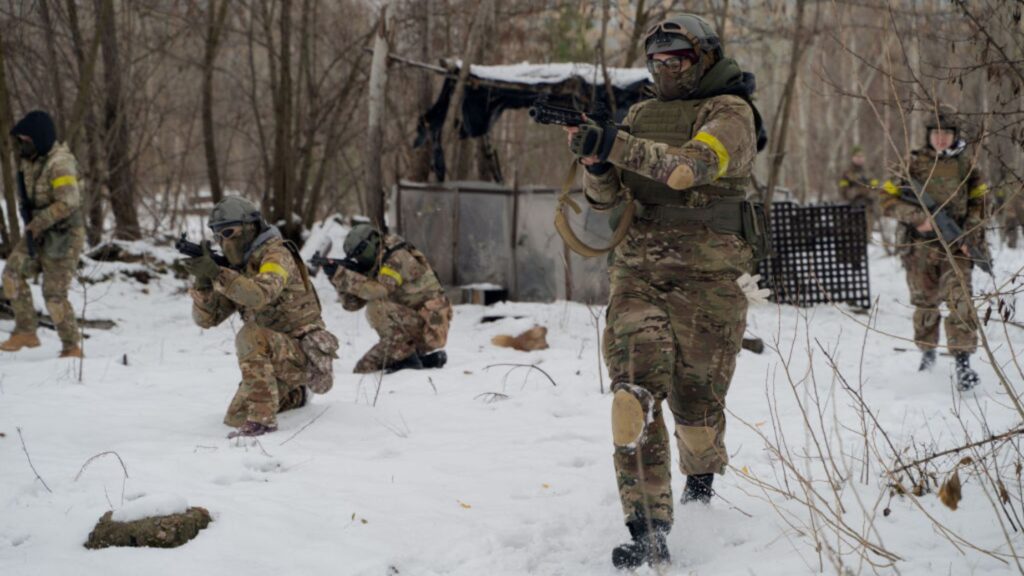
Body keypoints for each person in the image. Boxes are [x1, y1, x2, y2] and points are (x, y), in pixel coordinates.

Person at [566, 14, 765, 569]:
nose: (665, 69)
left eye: (676, 59)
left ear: (703, 57)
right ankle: (648, 527)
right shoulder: (639, 115)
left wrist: (617, 143)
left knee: (697, 408)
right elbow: (607, 202)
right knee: (634, 396)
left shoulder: (730, 113)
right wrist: (596, 162)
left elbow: (685, 169)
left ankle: (700, 478)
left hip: (709, 282)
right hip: (638, 277)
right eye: (657, 61)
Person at [184, 196, 339, 438]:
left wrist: (218, 273)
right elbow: (207, 320)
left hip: (305, 354)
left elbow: (259, 294)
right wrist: (204, 280)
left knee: (251, 335)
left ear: (251, 227)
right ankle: (295, 395)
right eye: (217, 236)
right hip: (271, 358)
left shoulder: (277, 255)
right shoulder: (239, 269)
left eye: (228, 232)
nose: (224, 241)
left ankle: (262, 422)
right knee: (235, 417)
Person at [879, 104, 988, 390]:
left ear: (954, 136)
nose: (941, 138)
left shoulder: (967, 165)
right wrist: (917, 218)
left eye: (946, 133)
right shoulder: (911, 164)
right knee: (925, 304)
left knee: (961, 303)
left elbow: (981, 202)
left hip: (956, 247)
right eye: (936, 133)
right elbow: (887, 200)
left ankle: (963, 364)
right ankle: (927, 356)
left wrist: (969, 234)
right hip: (920, 248)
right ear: (928, 135)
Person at [1, 110, 85, 357]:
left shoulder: (60, 164)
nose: (22, 146)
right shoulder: (32, 161)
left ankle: (72, 347)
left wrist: (39, 222)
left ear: (39, 138)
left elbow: (69, 202)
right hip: (38, 232)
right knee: (11, 274)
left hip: (64, 236)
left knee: (54, 294)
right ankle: (26, 331)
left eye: (26, 141)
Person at [328, 223, 451, 374]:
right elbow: (352, 305)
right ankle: (420, 359)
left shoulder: (397, 256)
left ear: (373, 241)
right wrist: (336, 279)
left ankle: (408, 358)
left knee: (376, 306)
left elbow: (378, 291)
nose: (359, 258)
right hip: (416, 326)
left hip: (430, 329)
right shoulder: (379, 261)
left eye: (360, 252)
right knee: (363, 368)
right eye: (355, 256)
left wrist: (343, 276)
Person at [838, 145, 880, 236]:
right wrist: (859, 191)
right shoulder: (847, 173)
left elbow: (876, 190)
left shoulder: (869, 172)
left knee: (867, 235)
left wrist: (869, 193)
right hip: (853, 209)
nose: (860, 159)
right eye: (857, 157)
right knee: (854, 235)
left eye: (861, 156)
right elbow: (844, 192)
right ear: (852, 158)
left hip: (868, 208)